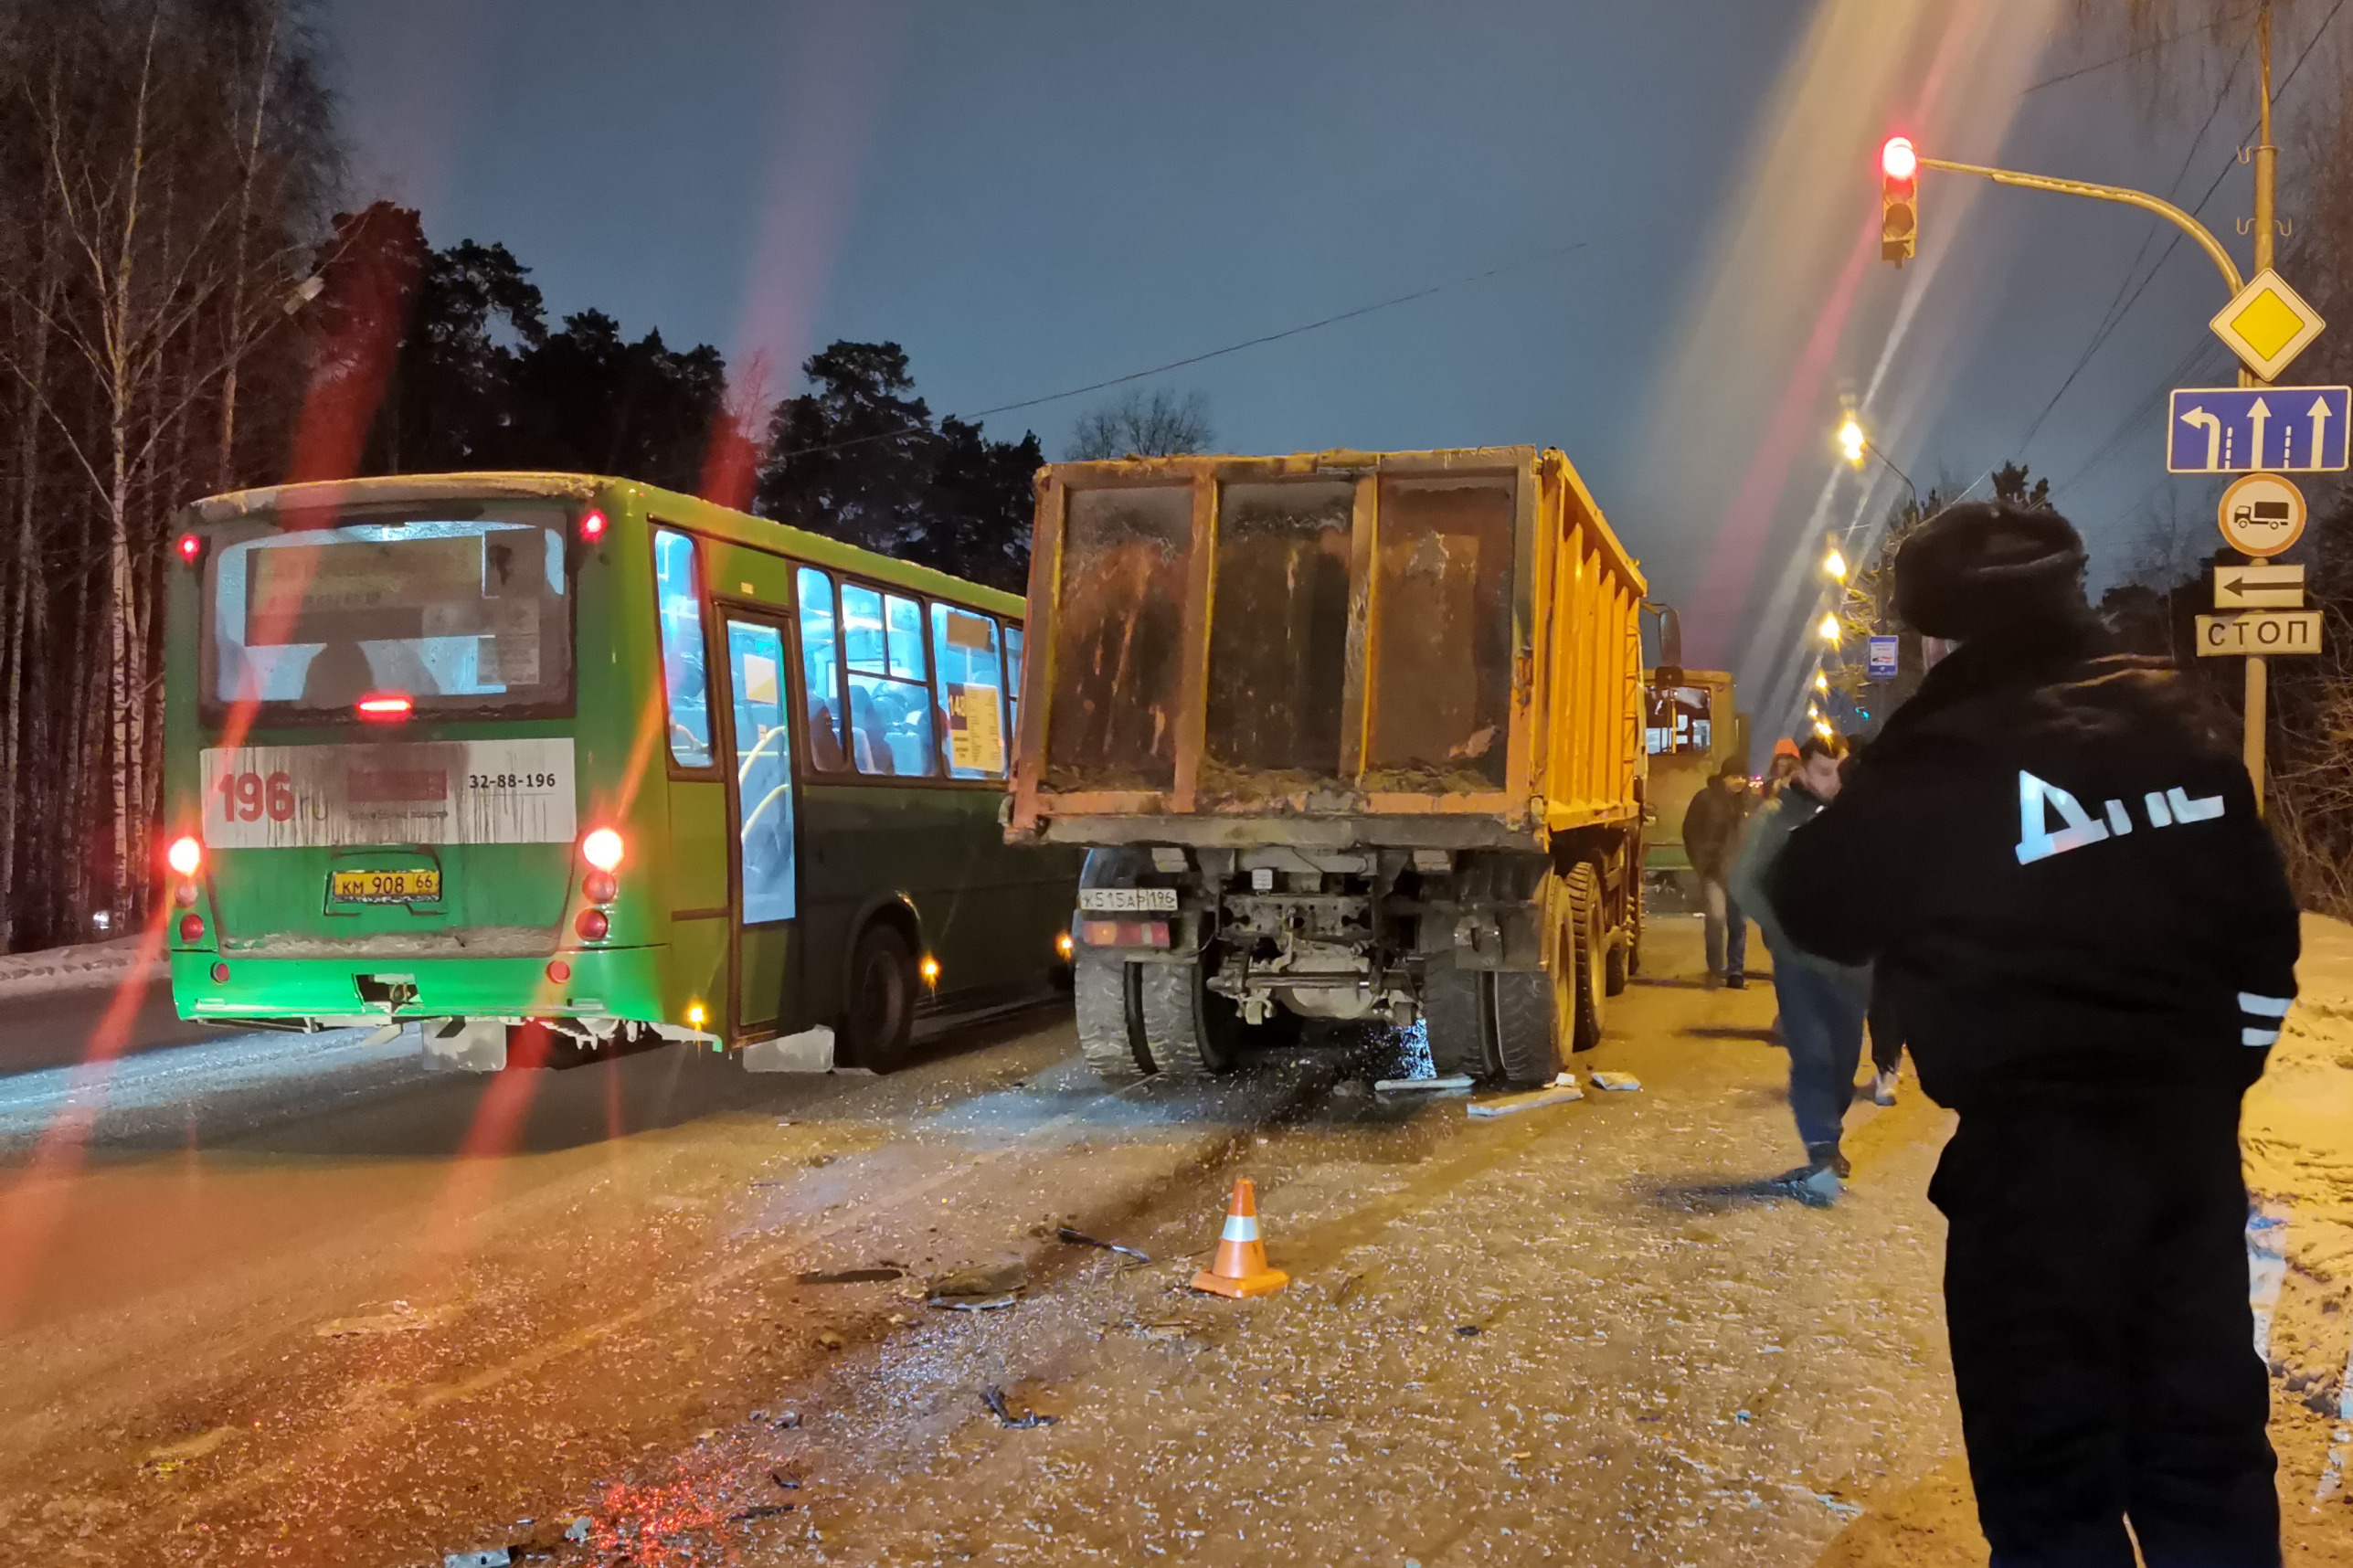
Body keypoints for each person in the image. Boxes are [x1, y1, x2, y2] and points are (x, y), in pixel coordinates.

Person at [1763, 502, 2298, 1568]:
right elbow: (2263, 931)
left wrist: (1889, 768)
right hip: (2186, 1160)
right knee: (2206, 1455)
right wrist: (2213, 1077)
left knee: (2050, 1479)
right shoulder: (2180, 716)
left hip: (2030, 1174)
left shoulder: (1941, 756)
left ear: (1939, 634)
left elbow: (1814, 899)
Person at [1727, 734, 1869, 1198]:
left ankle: (1830, 1132)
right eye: (1825, 772)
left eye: (1840, 771)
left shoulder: (1858, 815)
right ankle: (1822, 1145)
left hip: (1851, 963)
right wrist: (1782, 935)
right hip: (1798, 964)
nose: (1834, 783)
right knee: (1812, 1054)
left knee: (1845, 1061)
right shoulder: (1775, 818)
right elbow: (1744, 881)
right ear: (1803, 770)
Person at [1680, 762, 1754, 989]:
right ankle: (1715, 969)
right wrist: (1701, 862)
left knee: (1738, 923)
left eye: (1743, 776)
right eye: (1735, 776)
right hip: (1713, 870)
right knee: (1716, 917)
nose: (1740, 781)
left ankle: (1735, 972)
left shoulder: (1750, 802)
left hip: (1741, 872)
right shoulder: (1705, 799)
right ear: (1724, 777)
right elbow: (1690, 831)